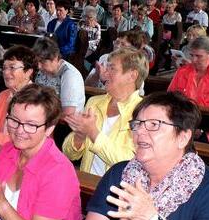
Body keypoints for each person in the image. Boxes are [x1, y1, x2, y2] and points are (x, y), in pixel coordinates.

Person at [78, 91, 209, 220]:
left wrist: (151, 218)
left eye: (154, 125)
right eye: (137, 124)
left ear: (182, 138)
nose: (140, 132)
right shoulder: (120, 174)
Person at [0, 84, 82, 220]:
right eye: (14, 120)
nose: (19, 130)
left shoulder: (59, 172)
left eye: (31, 125)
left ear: (49, 129)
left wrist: (0, 203)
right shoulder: (8, 151)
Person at [62, 47, 149, 176]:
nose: (105, 73)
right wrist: (79, 137)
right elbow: (69, 154)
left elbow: (131, 164)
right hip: (87, 184)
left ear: (132, 76)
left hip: (117, 191)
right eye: (106, 67)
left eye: (112, 68)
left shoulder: (143, 112)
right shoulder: (94, 102)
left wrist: (93, 133)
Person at [168, 36, 209, 143]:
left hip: (208, 128)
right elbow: (170, 97)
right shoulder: (182, 71)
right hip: (182, 122)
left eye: (199, 56)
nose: (194, 60)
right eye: (192, 55)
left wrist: (201, 129)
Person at [0, 45, 38, 148]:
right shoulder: (3, 96)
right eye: (4, 68)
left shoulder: (37, 100)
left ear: (28, 72)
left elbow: (25, 142)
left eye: (12, 67)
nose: (5, 72)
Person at [33, 37, 85, 115]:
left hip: (65, 124)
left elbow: (68, 113)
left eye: (43, 62)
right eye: (37, 61)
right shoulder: (43, 70)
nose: (39, 66)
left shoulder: (70, 75)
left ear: (55, 57)